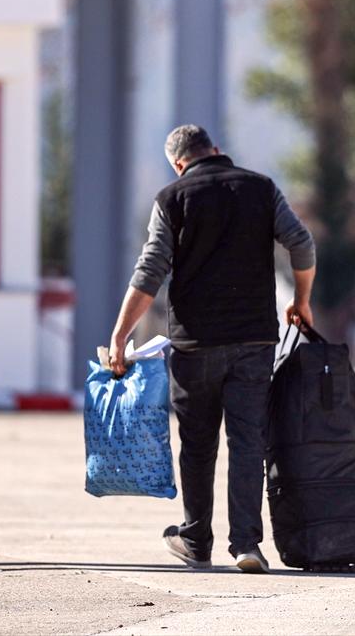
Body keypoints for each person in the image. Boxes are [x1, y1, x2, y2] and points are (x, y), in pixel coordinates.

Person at [108, 124, 316, 574]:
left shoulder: (172, 198)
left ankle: (196, 539)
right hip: (254, 340)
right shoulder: (261, 189)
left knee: (197, 446)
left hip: (195, 344)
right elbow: (301, 242)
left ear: (179, 164)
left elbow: (150, 271)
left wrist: (121, 335)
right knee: (247, 443)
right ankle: (246, 545)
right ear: (217, 151)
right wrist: (301, 301)